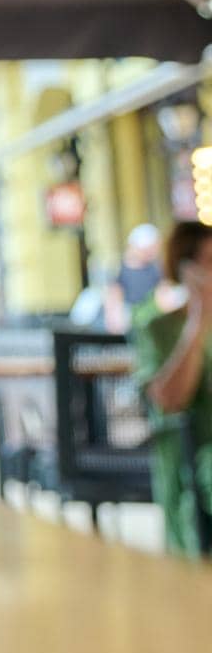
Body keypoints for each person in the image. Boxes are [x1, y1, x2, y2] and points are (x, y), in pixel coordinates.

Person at [129, 221, 212, 555]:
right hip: (194, 457)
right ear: (185, 270)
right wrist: (199, 319)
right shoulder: (159, 328)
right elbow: (169, 399)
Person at [103, 223, 164, 333]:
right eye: (146, 249)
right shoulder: (119, 267)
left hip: (150, 318)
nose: (150, 252)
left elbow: (162, 293)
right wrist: (114, 319)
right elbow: (113, 295)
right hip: (127, 317)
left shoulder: (156, 268)